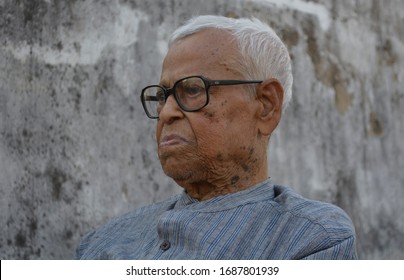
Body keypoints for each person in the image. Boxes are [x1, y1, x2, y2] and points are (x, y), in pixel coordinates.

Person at [75, 15, 357, 259]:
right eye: (162, 96)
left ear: (266, 105)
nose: (166, 113)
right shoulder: (103, 241)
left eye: (193, 90)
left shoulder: (310, 239)